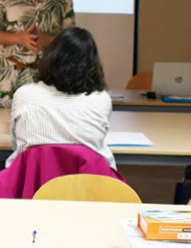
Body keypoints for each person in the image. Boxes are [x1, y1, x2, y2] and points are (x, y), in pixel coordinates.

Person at [7, 27, 114, 169]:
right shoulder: (101, 99)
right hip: (86, 187)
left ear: (50, 57)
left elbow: (17, 145)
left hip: (33, 185)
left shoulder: (24, 94)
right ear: (92, 64)